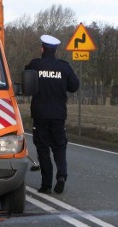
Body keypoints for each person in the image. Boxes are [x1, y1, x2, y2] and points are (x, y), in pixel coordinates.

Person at [25, 34, 80, 195]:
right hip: (58, 115)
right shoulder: (64, 67)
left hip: (40, 115)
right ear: (55, 50)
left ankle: (46, 185)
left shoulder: (35, 65)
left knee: (43, 149)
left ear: (42, 49)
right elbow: (74, 86)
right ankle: (61, 175)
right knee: (59, 146)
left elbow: (26, 83)